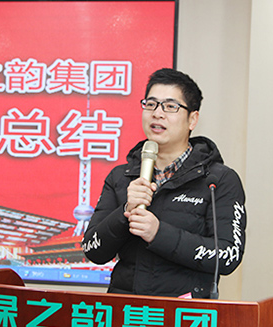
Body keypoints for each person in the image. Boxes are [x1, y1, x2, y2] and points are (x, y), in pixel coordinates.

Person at [81, 68, 246, 298]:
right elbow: (92, 250)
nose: (157, 114)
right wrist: (125, 212)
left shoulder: (218, 180)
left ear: (192, 119)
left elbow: (228, 256)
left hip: (183, 315)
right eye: (151, 104)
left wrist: (159, 234)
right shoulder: (121, 177)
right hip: (126, 312)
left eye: (170, 106)